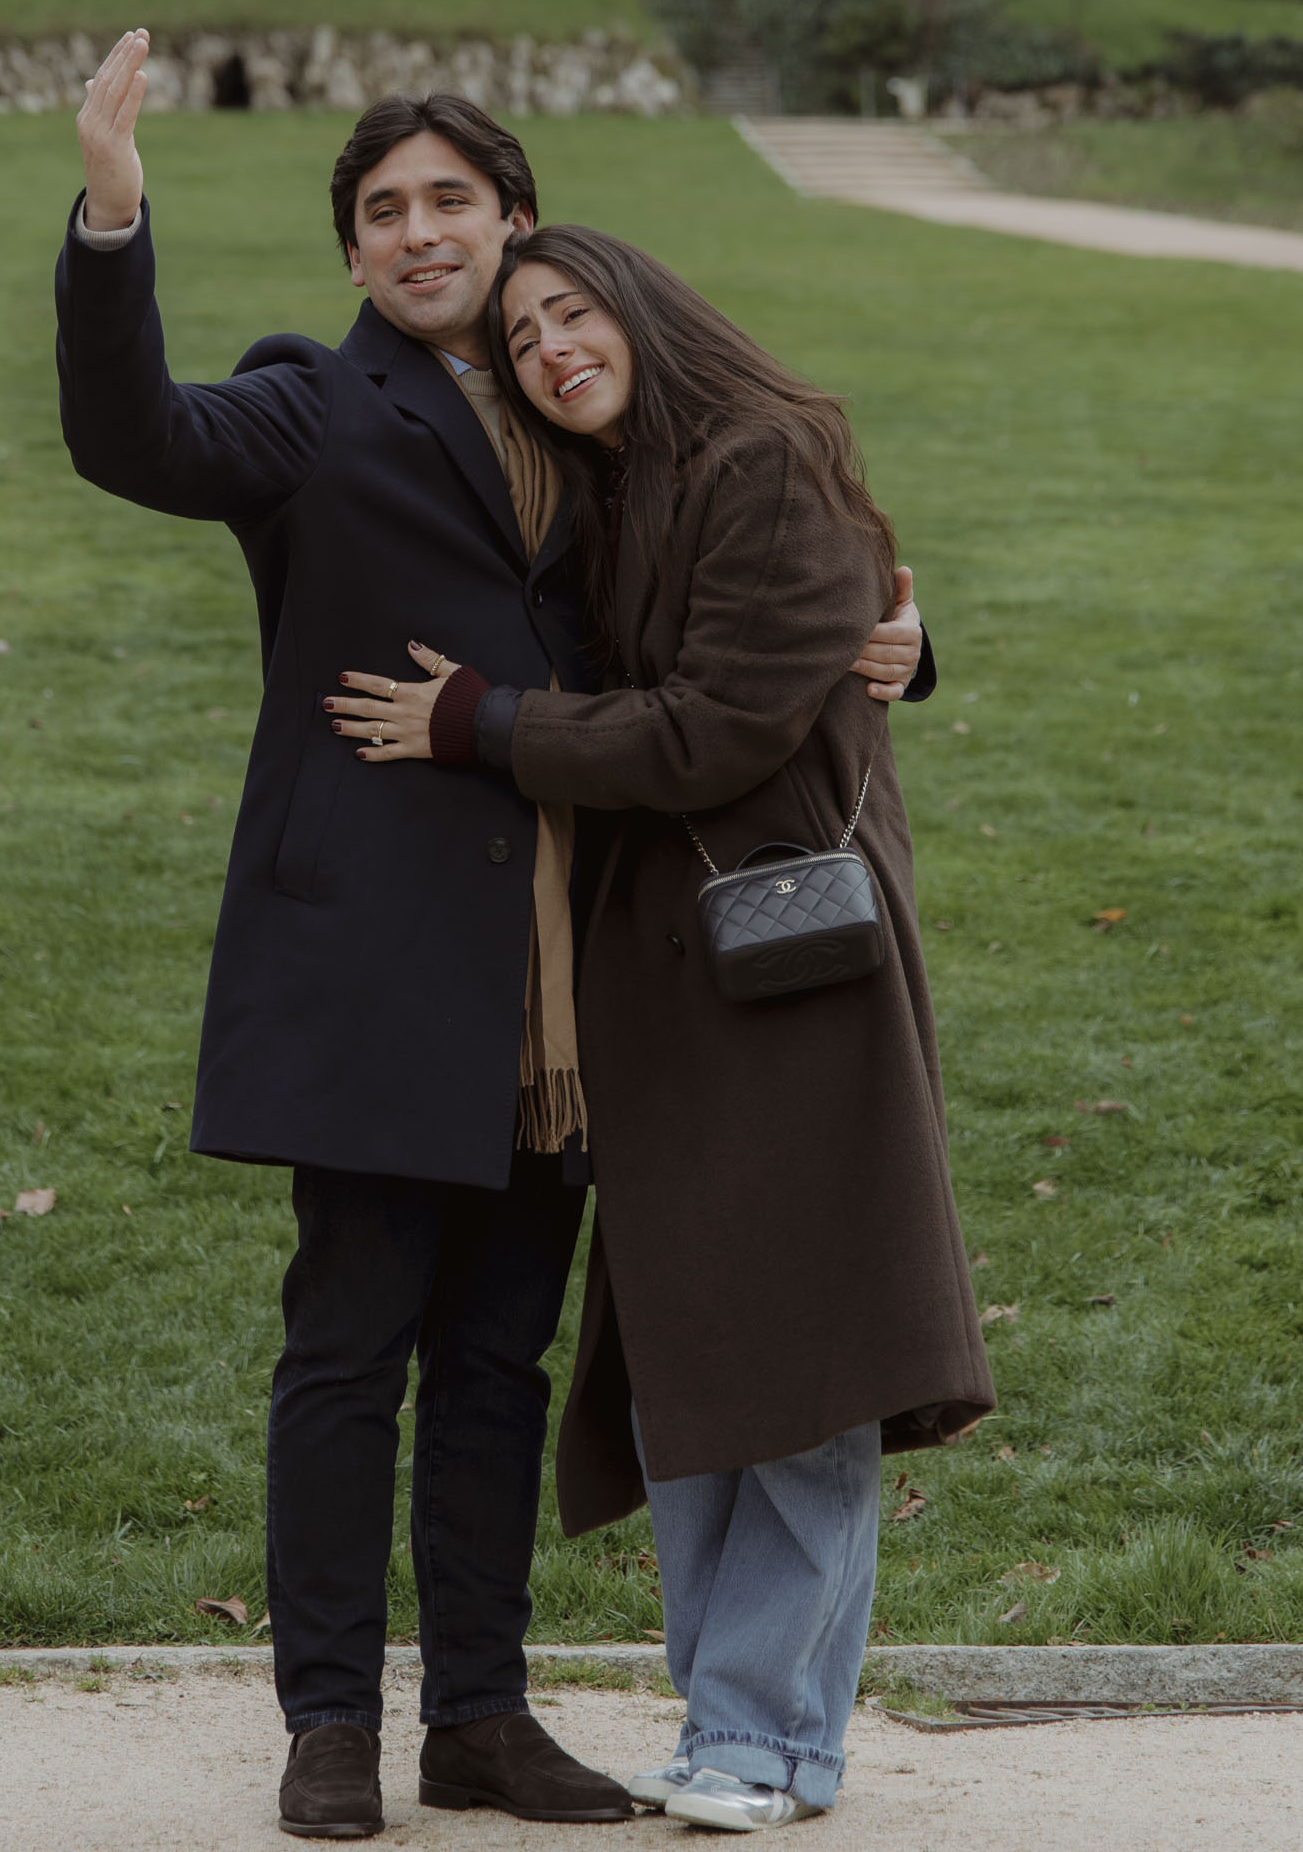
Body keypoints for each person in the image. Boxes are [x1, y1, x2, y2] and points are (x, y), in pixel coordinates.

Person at [56, 35, 928, 1839]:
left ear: (519, 224)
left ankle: (479, 1718)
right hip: (374, 957)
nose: (420, 230)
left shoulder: (587, 412)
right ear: (357, 261)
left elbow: (746, 589)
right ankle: (326, 1727)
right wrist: (114, 217)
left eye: (452, 199)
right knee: (347, 1346)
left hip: (574, 972)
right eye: (383, 212)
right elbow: (133, 436)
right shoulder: (314, 405)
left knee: (499, 1359)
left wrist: (908, 636)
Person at [327, 223, 996, 1831]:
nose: (554, 346)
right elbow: (790, 658)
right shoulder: (612, 494)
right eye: (526, 335)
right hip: (676, 981)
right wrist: (888, 649)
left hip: (796, 973)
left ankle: (765, 1736)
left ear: (640, 308)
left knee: (810, 1354)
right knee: (699, 1352)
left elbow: (716, 727)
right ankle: (737, 1731)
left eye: (573, 312)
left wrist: (475, 724)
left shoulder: (765, 458)